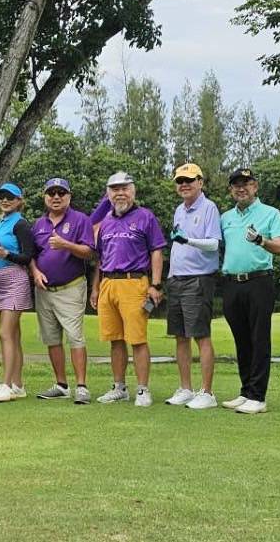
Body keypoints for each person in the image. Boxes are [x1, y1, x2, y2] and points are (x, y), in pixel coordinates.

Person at [90, 172, 166, 407]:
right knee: (115, 339)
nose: (120, 193)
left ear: (133, 191)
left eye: (124, 189)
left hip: (134, 282)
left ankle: (142, 389)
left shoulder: (145, 217)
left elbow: (156, 251)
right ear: (109, 194)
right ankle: (119, 387)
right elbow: (100, 259)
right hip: (108, 283)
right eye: (115, 189)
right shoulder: (105, 223)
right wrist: (95, 288)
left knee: (137, 339)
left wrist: (155, 284)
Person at [219, 168, 280, 415]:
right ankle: (246, 391)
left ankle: (258, 396)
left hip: (259, 282)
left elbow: (279, 247)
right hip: (232, 283)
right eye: (236, 184)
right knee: (242, 340)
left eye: (246, 183)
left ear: (255, 187)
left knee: (259, 339)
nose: (241, 188)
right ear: (231, 190)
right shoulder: (225, 218)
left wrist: (260, 240)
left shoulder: (270, 213)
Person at [29, 178, 96, 405]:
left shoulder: (80, 219)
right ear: (45, 197)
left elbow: (89, 252)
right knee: (52, 338)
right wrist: (35, 272)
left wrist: (66, 244)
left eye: (61, 193)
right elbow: (31, 255)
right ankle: (61, 385)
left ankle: (82, 386)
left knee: (75, 336)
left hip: (71, 287)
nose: (56, 197)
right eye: (51, 193)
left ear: (69, 196)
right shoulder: (39, 224)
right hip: (44, 290)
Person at [164, 163, 222, 410]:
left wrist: (188, 240)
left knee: (201, 335)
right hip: (176, 279)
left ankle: (207, 392)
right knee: (180, 336)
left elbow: (214, 243)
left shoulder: (209, 208)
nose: (184, 185)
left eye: (189, 180)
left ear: (200, 182)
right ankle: (186, 388)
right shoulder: (179, 210)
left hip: (198, 278)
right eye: (180, 181)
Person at [0, 182, 35, 403]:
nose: (5, 200)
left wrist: (7, 254)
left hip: (15, 280)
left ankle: (6, 384)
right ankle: (18, 385)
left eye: (10, 197)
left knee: (4, 333)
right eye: (2, 196)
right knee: (13, 335)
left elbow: (27, 257)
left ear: (19, 201)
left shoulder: (21, 224)